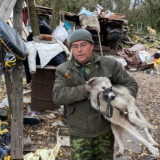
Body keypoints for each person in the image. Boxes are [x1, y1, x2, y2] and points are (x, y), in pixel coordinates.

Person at [52, 29, 138, 160]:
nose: (79, 49)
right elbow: (58, 96)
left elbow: (131, 84)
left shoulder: (109, 65)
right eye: (75, 46)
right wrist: (85, 88)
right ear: (71, 49)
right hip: (79, 132)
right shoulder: (63, 70)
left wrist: (122, 103)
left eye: (83, 45)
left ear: (92, 46)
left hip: (104, 130)